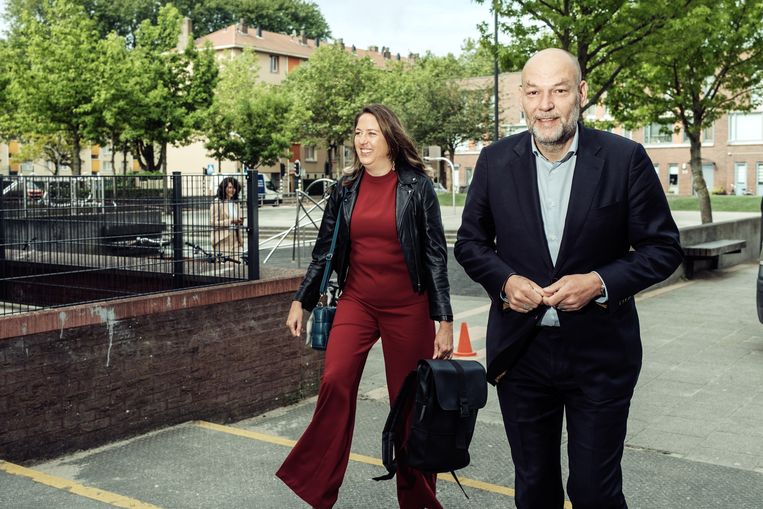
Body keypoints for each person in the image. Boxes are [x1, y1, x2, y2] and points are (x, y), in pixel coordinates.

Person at [454, 49, 683, 509]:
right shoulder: (495, 161)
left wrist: (599, 282)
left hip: (600, 354)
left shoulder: (625, 159)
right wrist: (505, 282)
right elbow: (470, 244)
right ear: (521, 98)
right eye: (534, 92)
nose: (546, 105)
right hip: (522, 354)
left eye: (558, 91)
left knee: (595, 492)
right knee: (534, 487)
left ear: (580, 94)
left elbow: (663, 249)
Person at [277, 104, 454, 509]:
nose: (363, 140)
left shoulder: (416, 186)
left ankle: (419, 501)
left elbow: (435, 257)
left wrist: (443, 319)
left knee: (407, 404)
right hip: (356, 301)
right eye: (358, 133)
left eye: (372, 132)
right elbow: (324, 251)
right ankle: (318, 487)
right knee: (335, 381)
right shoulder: (345, 189)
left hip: (408, 307)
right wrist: (300, 300)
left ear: (390, 137)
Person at [210, 177, 244, 259]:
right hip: (223, 239)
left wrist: (240, 221)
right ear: (223, 188)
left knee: (237, 265)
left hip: (236, 238)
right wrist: (231, 221)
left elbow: (238, 219)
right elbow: (213, 223)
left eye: (234, 188)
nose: (232, 190)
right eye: (230, 187)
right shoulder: (217, 202)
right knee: (225, 264)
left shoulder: (235, 203)